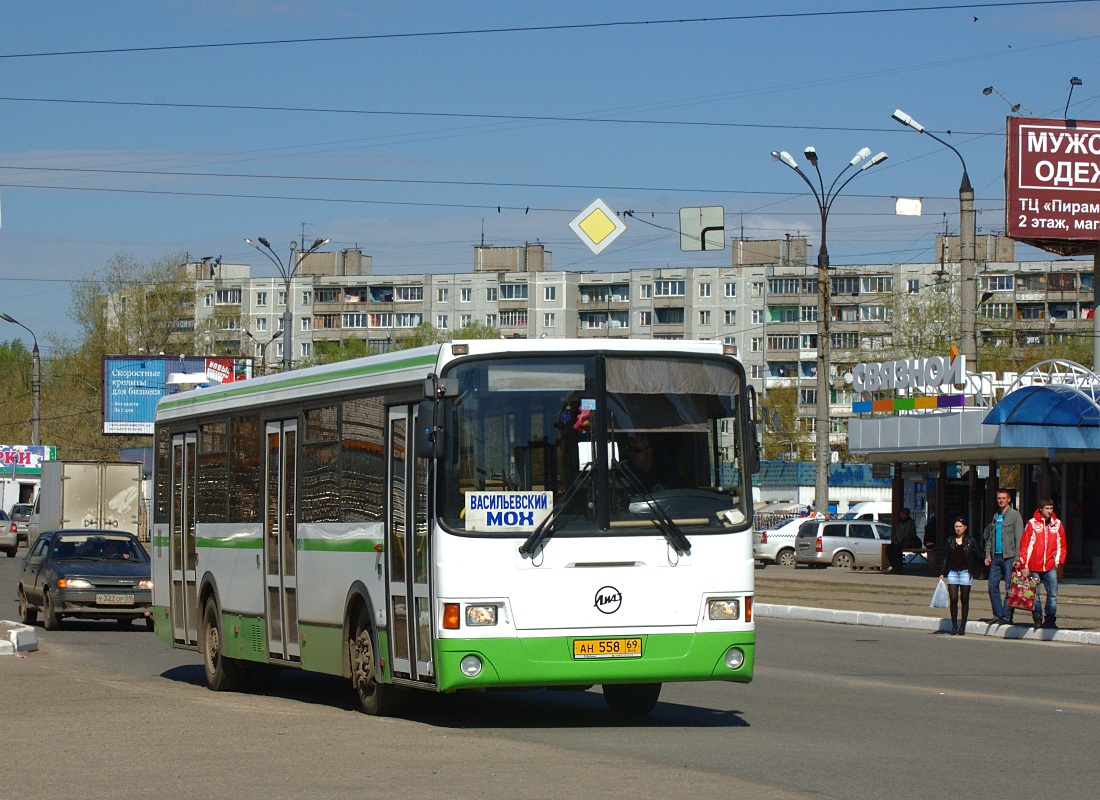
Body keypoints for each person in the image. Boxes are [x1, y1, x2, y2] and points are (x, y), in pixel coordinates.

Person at [1017, 499, 1068, 629]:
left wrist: (1057, 561)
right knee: (1034, 593)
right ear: (1041, 509)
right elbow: (1025, 545)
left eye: (1051, 508)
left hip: (1050, 566)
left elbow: (1061, 545)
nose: (1050, 511)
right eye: (1047, 508)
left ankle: (1050, 618)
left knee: (1053, 593)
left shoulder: (1057, 524)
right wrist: (1024, 565)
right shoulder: (1032, 524)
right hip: (1033, 566)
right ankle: (1037, 617)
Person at [983, 488, 1025, 625]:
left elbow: (1019, 538)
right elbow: (990, 537)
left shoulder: (1015, 515)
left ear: (1009, 499)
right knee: (992, 586)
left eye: (1003, 498)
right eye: (999, 498)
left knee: (1009, 588)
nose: (1001, 500)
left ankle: (1007, 617)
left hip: (1010, 557)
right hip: (996, 556)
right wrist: (988, 554)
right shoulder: (996, 516)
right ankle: (997, 614)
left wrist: (1018, 558)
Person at [938, 517, 983, 635]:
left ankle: (962, 625)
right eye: (956, 526)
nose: (958, 529)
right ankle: (954, 625)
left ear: (965, 527)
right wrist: (942, 572)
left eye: (960, 526)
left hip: (965, 572)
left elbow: (978, 554)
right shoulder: (949, 541)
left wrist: (985, 561)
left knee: (964, 598)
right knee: (953, 599)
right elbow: (945, 558)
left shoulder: (970, 541)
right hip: (952, 572)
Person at [886, 507, 916, 573]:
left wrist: (900, 540)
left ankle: (897, 566)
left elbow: (908, 534)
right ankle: (893, 565)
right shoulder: (900, 522)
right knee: (889, 548)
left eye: (902, 513)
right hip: (899, 542)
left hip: (906, 542)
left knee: (896, 550)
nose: (901, 515)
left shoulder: (910, 522)